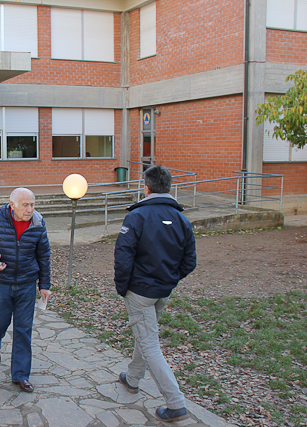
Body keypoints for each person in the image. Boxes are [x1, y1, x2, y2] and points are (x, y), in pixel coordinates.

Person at [114, 164, 197, 422]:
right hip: (163, 290)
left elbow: (123, 257)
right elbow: (189, 261)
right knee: (146, 335)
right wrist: (170, 279)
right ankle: (133, 378)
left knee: (149, 343)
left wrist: (123, 287)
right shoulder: (182, 219)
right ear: (168, 187)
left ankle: (175, 403)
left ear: (147, 188)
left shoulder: (137, 216)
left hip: (140, 291)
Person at [0, 188, 51, 393]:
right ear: (12, 205)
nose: (30, 209)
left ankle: (21, 375)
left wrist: (44, 285)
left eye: (32, 204)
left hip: (27, 284)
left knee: (23, 330)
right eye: (25, 205)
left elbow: (43, 255)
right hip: (1, 283)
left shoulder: (38, 223)